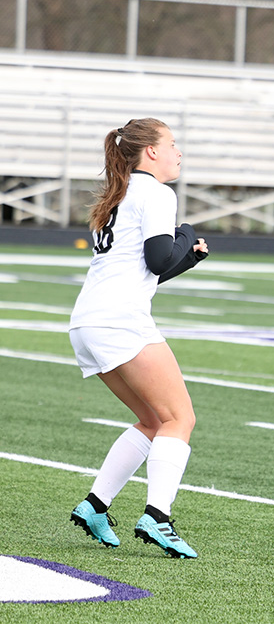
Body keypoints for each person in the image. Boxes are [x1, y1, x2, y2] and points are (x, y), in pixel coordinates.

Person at [68, 118, 209, 559]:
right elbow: (156, 254)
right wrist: (186, 234)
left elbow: (148, 268)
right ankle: (157, 516)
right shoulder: (156, 192)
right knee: (178, 419)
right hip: (120, 320)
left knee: (152, 421)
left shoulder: (118, 194)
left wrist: (187, 258)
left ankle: (95, 506)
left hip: (88, 321)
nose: (178, 151)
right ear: (150, 152)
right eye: (172, 143)